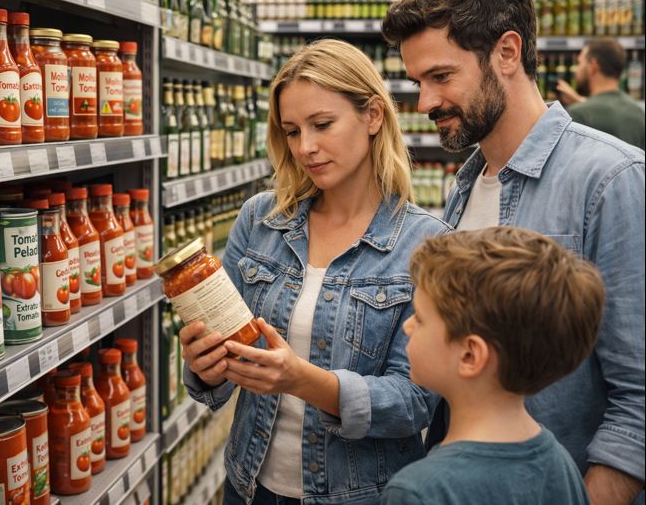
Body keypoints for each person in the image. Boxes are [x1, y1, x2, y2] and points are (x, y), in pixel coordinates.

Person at [382, 0, 645, 503]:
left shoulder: (611, 179)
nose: (424, 102)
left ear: (507, 52)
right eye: (417, 83)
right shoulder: (466, 186)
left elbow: (638, 400)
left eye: (440, 76)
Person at [178, 38, 450, 505]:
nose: (306, 147)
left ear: (373, 116)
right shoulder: (260, 220)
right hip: (248, 486)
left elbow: (415, 401)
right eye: (291, 131)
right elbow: (224, 362)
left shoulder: (425, 243)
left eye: (322, 125)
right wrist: (206, 368)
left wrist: (303, 381)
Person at [381, 227, 605, 505]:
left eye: (421, 318)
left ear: (470, 356)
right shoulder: (561, 464)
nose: (408, 325)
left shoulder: (417, 491)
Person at [556, 39, 645, 150]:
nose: (576, 70)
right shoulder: (637, 112)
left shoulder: (578, 114)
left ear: (593, 66)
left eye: (580, 63)